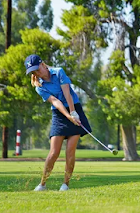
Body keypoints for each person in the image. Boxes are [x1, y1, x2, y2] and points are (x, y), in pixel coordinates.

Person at [24, 54, 92, 191]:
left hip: (74, 108)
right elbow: (56, 101)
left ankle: (65, 184)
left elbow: (67, 94)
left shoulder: (59, 72)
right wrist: (68, 116)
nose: (37, 73)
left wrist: (73, 113)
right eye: (33, 71)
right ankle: (42, 184)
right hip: (59, 114)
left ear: (43, 64)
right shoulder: (39, 86)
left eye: (38, 69)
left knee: (70, 151)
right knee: (54, 152)